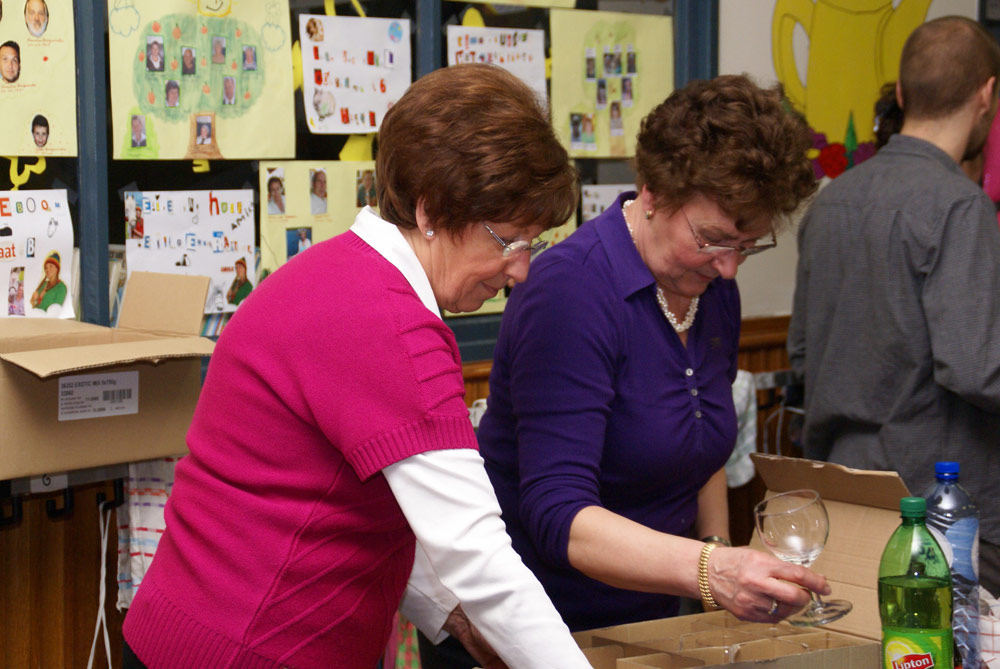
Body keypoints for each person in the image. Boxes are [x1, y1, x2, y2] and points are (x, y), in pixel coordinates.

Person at [120, 63, 591, 669]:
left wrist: (448, 614)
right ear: (430, 211)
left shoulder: (335, 274)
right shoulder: (392, 326)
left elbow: (361, 497)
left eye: (534, 243)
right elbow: (478, 554)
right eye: (509, 241)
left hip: (188, 632)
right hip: (249, 648)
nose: (521, 269)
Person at [422, 73, 830, 669]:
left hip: (652, 620)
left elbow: (700, 445)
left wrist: (714, 554)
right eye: (714, 239)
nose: (730, 268)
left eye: (748, 245)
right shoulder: (572, 291)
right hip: (536, 631)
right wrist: (712, 571)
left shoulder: (711, 290)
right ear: (654, 192)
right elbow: (559, 514)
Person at [788, 16, 1000, 598]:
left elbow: (801, 358)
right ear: (986, 94)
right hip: (942, 508)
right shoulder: (961, 207)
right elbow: (977, 368)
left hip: (843, 494)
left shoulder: (831, 204)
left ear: (903, 95)